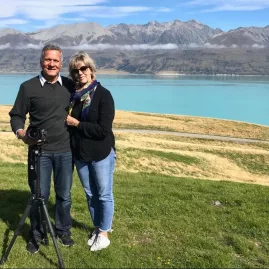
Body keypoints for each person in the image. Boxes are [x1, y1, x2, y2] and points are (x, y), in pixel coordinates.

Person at [9, 44, 74, 254]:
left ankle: (63, 230)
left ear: (61, 63)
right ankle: (37, 235)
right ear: (41, 61)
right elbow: (17, 115)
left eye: (56, 60)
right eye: (48, 60)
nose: (51, 64)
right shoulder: (28, 87)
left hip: (65, 151)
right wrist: (22, 135)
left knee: (64, 195)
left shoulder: (71, 86)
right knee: (39, 195)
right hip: (39, 153)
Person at [65, 51, 116, 252]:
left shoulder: (103, 95)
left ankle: (104, 233)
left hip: (101, 152)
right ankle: (97, 228)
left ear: (91, 69)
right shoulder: (73, 97)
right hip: (81, 153)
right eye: (75, 70)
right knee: (90, 194)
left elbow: (103, 130)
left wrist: (77, 124)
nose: (80, 73)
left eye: (83, 68)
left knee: (104, 193)